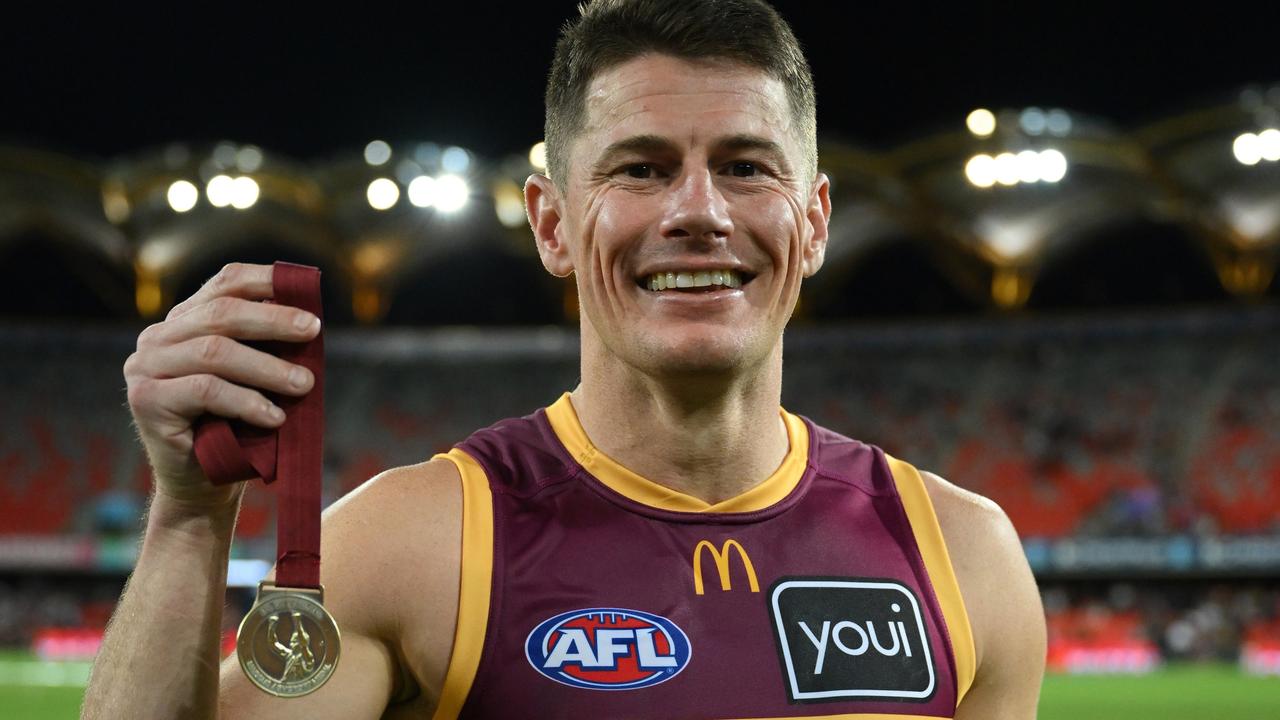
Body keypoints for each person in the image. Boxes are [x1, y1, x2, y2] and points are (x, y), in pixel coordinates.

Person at [82, 1, 1046, 718]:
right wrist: (187, 517)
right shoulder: (414, 547)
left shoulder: (962, 559)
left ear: (814, 222)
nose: (699, 213)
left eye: (748, 167)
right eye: (642, 168)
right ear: (551, 223)